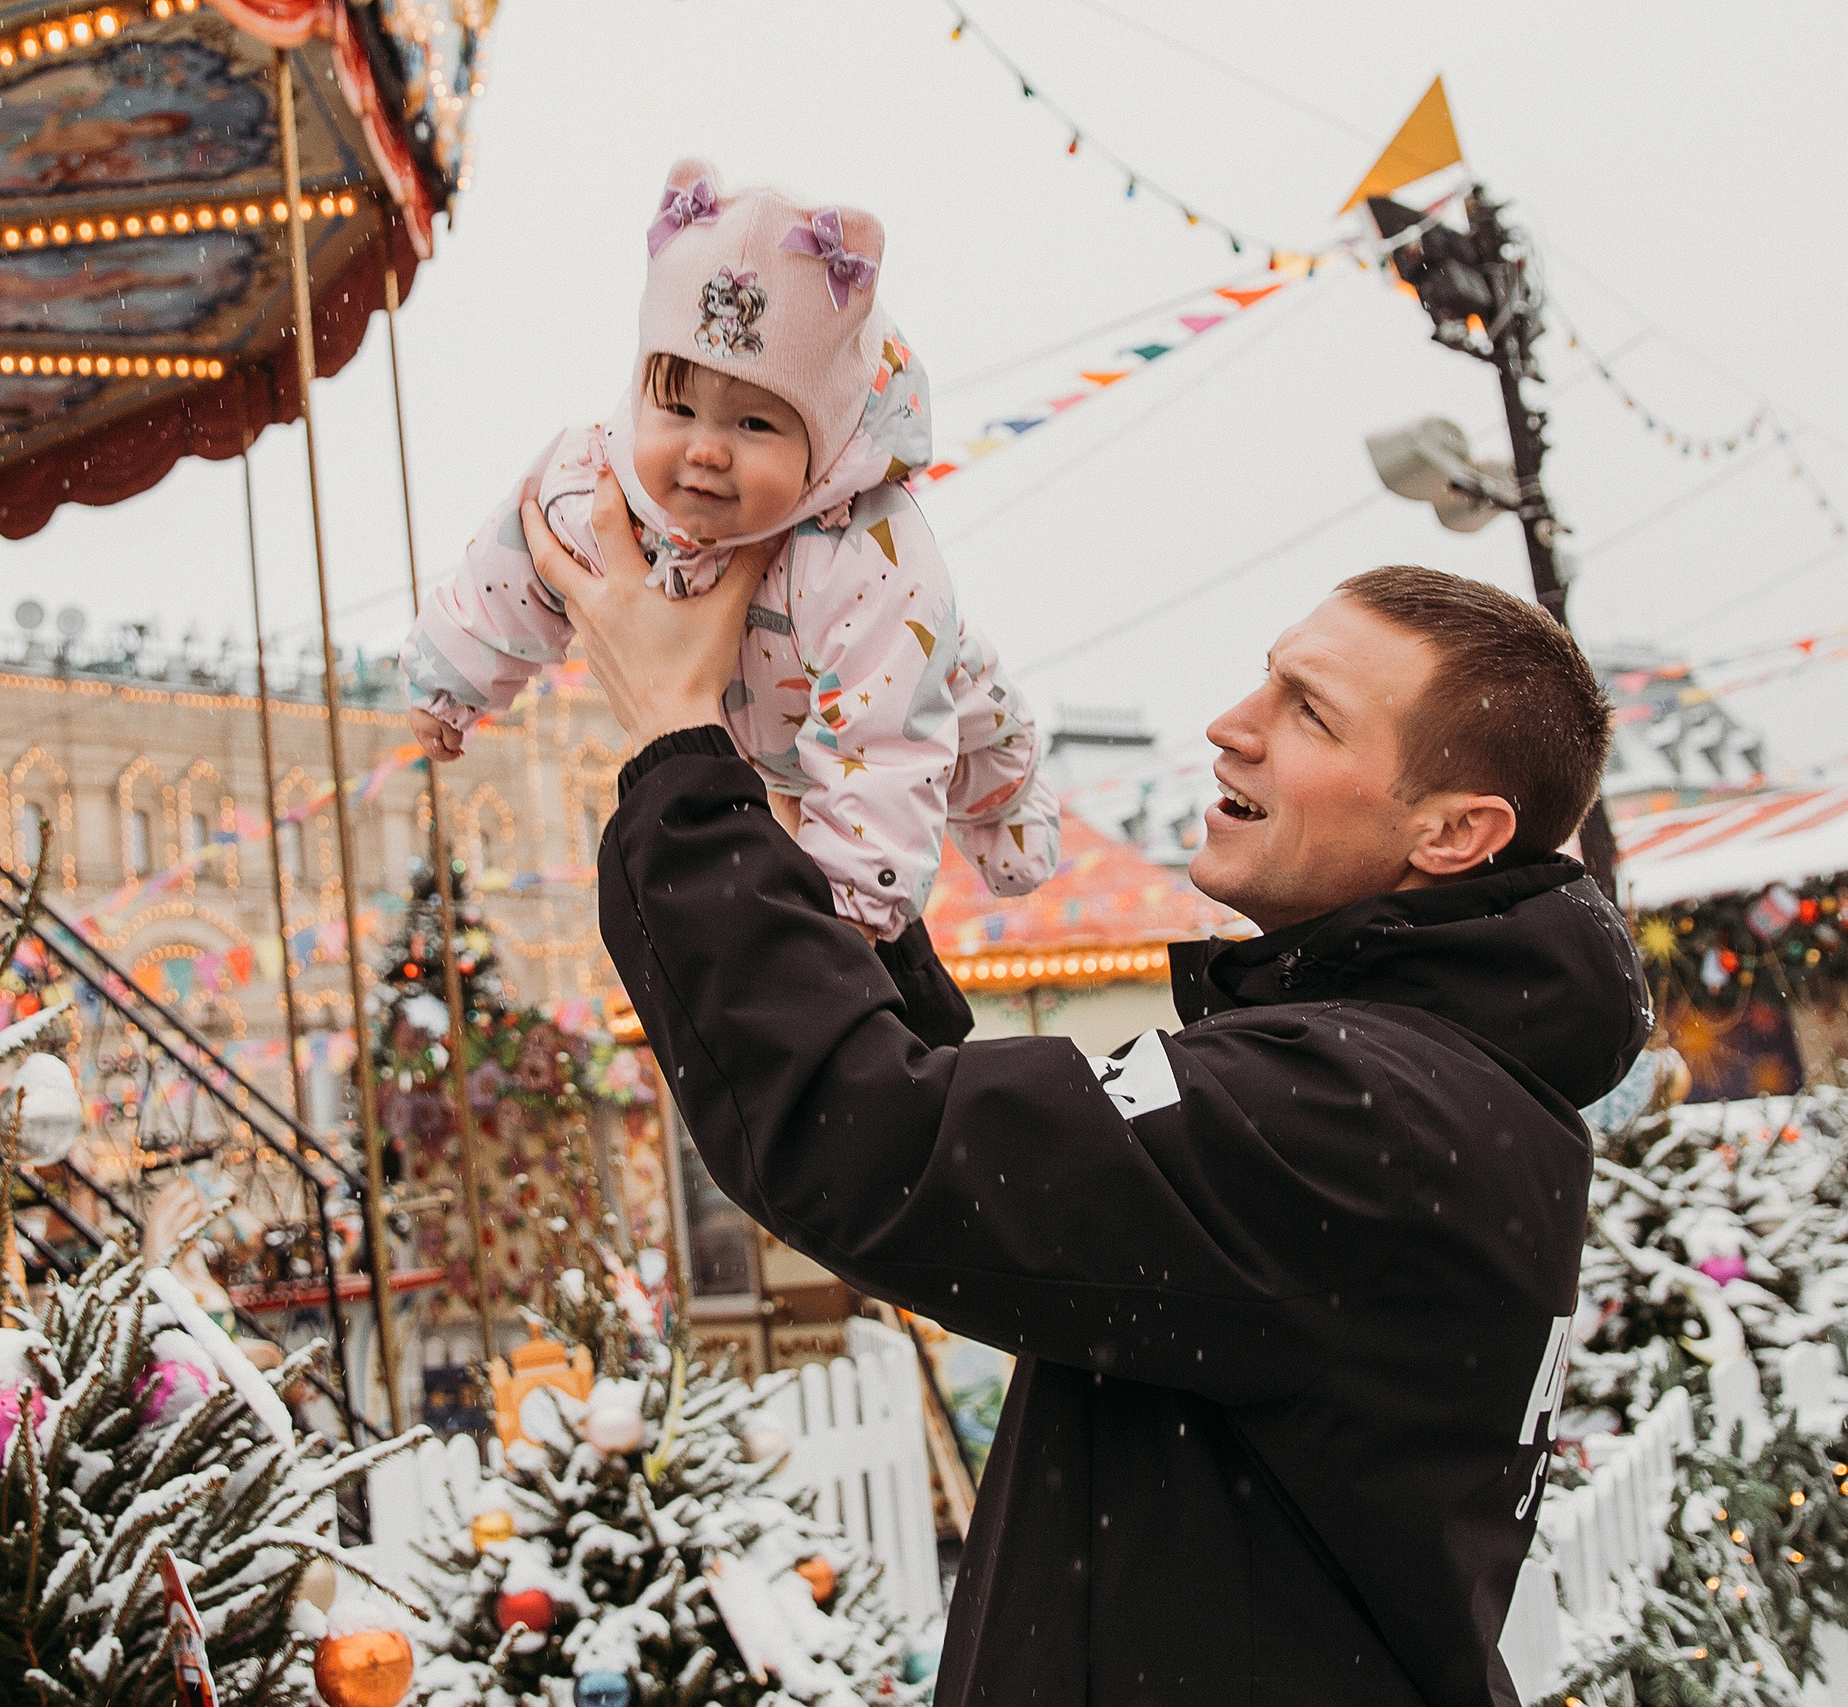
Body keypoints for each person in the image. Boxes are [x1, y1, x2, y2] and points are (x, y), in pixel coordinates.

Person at [533, 487, 1650, 1707]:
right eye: (1264, 681)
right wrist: (822, 843)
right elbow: (992, 1157)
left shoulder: (1364, 1116)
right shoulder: (1422, 1086)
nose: (1233, 725)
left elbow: (881, 1145)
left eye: (1309, 715)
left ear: (1452, 832)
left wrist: (675, 755)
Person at [402, 160, 1060, 946]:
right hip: (767, 735)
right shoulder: (598, 483)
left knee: (975, 750)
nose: (706, 451)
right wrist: (451, 677)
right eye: (678, 408)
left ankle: (1015, 816)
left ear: (824, 444)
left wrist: (847, 901)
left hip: (918, 693)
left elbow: (884, 745)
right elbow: (513, 568)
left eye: (754, 425)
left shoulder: (867, 555)